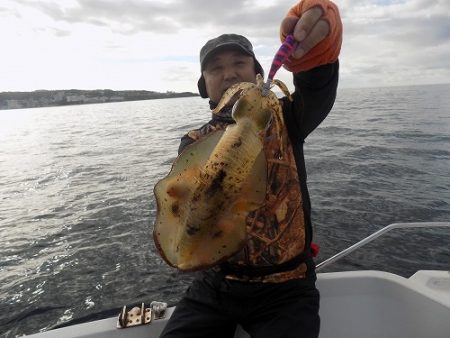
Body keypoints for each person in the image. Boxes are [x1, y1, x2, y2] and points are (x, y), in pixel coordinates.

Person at [158, 0, 342, 337]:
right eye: (215, 68)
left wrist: (318, 44)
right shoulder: (194, 142)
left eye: (239, 63)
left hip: (287, 288)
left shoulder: (288, 118)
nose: (229, 73)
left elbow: (317, 83)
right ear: (204, 86)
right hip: (216, 284)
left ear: (258, 73)